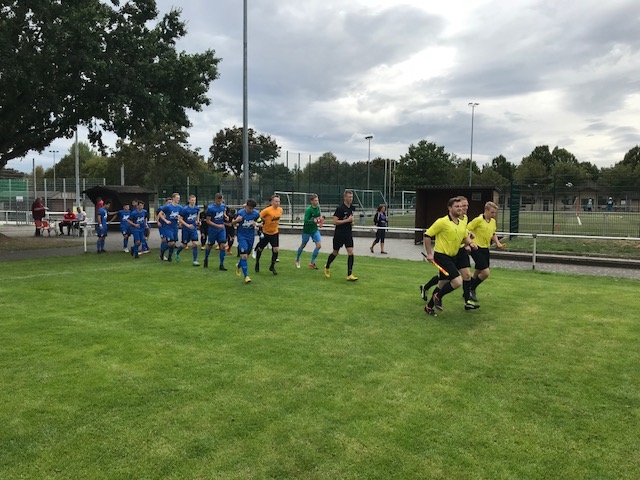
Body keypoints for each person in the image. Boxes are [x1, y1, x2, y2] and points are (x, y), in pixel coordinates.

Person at [422, 196, 477, 316]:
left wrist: (471, 243)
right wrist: (429, 254)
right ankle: (438, 296)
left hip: (453, 256)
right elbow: (427, 235)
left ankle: (428, 307)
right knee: (457, 281)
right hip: (441, 256)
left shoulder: (461, 223)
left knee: (442, 284)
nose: (460, 208)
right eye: (457, 206)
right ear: (449, 208)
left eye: (461, 206)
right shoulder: (442, 222)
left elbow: (464, 237)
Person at [467, 201, 504, 302]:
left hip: (485, 248)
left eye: (495, 213)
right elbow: (466, 230)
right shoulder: (478, 220)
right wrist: (469, 243)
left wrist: (498, 243)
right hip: (476, 248)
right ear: (486, 210)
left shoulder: (492, 222)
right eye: (492, 212)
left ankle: (468, 289)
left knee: (478, 271)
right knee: (485, 273)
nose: (494, 214)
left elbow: (493, 233)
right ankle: (471, 289)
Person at [324, 189, 358, 281]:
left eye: (352, 197)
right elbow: (335, 222)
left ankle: (349, 274)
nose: (351, 199)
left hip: (348, 234)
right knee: (335, 252)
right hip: (339, 234)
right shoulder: (340, 208)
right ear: (345, 197)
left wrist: (352, 222)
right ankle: (327, 266)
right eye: (349, 197)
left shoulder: (352, 208)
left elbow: (351, 219)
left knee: (351, 252)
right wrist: (347, 220)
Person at [232, 199, 260, 283]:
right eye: (249, 208)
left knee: (246, 256)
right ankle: (246, 276)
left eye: (252, 209)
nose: (251, 210)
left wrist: (257, 224)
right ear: (246, 206)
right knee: (244, 256)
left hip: (251, 237)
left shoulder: (256, 214)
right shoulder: (240, 213)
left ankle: (239, 265)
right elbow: (232, 223)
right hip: (242, 236)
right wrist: (236, 221)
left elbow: (261, 222)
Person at [255, 194, 283, 275]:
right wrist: (260, 223)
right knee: (260, 248)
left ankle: (272, 266)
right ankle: (257, 262)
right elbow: (258, 217)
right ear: (272, 202)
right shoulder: (267, 210)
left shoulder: (280, 210)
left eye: (279, 201)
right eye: (276, 201)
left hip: (274, 232)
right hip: (266, 233)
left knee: (276, 249)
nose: (277, 203)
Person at [295, 193, 323, 269]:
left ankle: (312, 262)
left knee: (319, 245)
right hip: (307, 231)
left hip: (314, 230)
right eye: (315, 200)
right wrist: (313, 221)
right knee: (303, 245)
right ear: (311, 201)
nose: (317, 202)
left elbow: (319, 217)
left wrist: (320, 221)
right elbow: (306, 220)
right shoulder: (308, 210)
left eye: (317, 200)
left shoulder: (318, 208)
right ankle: (297, 259)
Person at [204, 193, 228, 270]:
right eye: (218, 200)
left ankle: (221, 264)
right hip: (213, 230)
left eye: (221, 200)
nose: (220, 202)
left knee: (222, 245)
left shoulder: (223, 206)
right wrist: (217, 226)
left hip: (221, 229)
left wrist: (225, 216)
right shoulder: (210, 208)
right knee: (210, 245)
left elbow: (223, 212)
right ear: (215, 199)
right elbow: (208, 221)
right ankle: (206, 258)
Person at [175, 194, 201, 266]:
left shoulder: (196, 208)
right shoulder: (185, 209)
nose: (193, 202)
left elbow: (198, 214)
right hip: (186, 229)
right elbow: (180, 219)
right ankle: (177, 252)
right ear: (189, 200)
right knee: (184, 245)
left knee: (195, 243)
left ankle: (195, 260)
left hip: (193, 229)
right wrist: (187, 225)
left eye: (194, 200)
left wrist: (198, 221)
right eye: (192, 200)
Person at [157, 193, 181, 262]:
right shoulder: (168, 207)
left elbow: (181, 215)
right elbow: (160, 214)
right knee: (171, 242)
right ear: (173, 198)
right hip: (168, 227)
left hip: (175, 227)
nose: (178, 199)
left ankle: (170, 257)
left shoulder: (179, 207)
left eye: (179, 198)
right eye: (177, 198)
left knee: (173, 243)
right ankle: (162, 252)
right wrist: (166, 221)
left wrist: (180, 222)